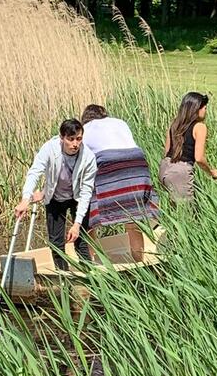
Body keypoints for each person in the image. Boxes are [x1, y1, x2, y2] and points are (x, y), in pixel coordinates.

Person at [14, 119, 97, 270]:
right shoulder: (49, 149)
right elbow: (35, 172)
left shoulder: (88, 157)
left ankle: (88, 275)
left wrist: (77, 225)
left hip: (77, 197)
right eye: (70, 139)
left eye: (78, 139)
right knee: (56, 243)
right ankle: (63, 278)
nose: (75, 144)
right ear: (62, 138)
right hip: (55, 197)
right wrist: (25, 199)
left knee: (81, 241)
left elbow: (86, 192)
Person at [80, 104, 159, 263]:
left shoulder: (85, 129)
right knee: (133, 217)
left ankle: (91, 264)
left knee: (88, 217)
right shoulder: (119, 122)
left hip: (110, 164)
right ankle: (139, 261)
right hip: (138, 166)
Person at [159, 92, 217, 203]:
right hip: (181, 172)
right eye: (205, 108)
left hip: (165, 168)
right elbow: (199, 158)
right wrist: (211, 172)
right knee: (188, 215)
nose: (206, 112)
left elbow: (166, 151)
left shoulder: (174, 123)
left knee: (174, 209)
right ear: (197, 109)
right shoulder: (200, 127)